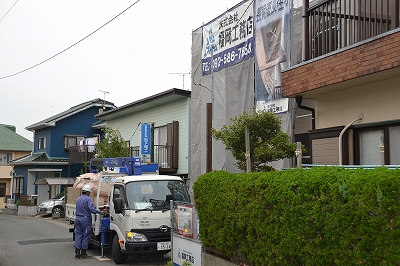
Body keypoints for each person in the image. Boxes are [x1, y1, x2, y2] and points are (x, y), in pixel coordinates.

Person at [74, 184, 99, 259]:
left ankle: (77, 252)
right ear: (88, 192)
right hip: (85, 219)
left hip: (78, 218)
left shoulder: (78, 199)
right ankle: (84, 252)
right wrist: (98, 211)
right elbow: (91, 208)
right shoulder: (88, 199)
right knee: (86, 235)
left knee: (78, 235)